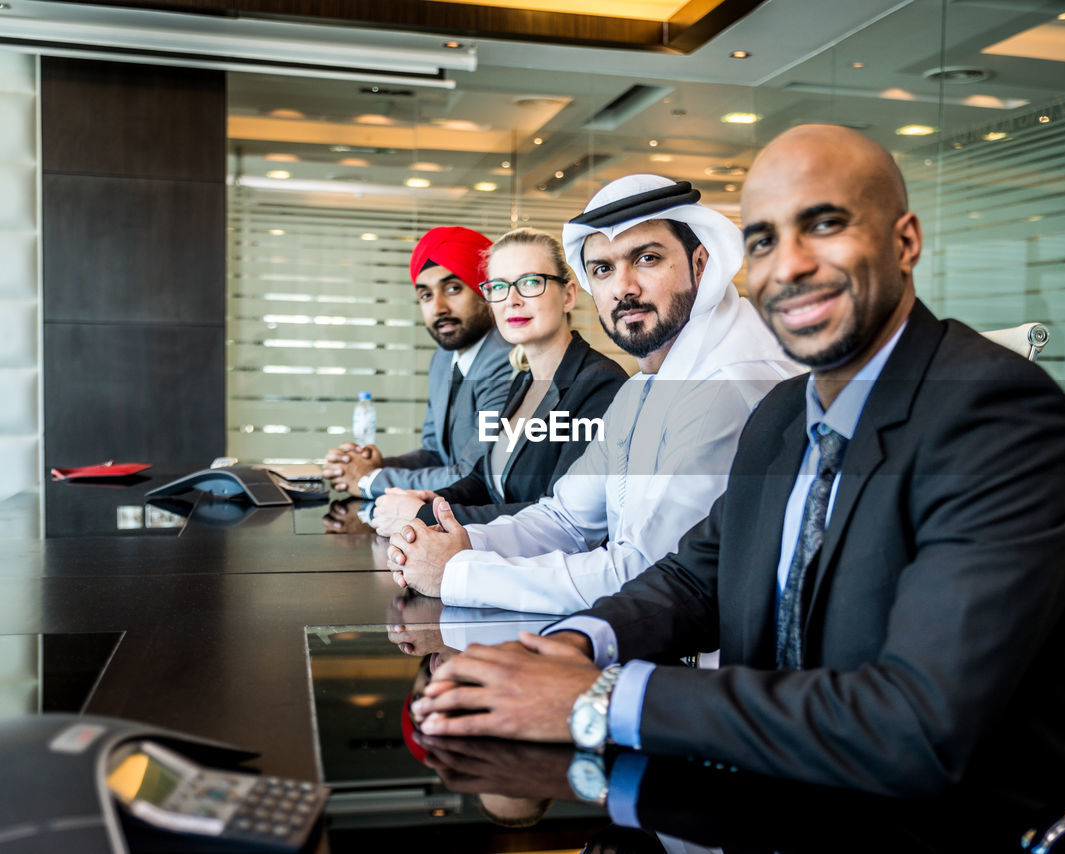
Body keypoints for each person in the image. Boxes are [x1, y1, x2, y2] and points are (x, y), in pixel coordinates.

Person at [405, 125, 1065, 848]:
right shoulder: (787, 411)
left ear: (905, 241)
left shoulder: (999, 416)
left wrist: (597, 700)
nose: (790, 265)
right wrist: (571, 646)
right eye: (763, 241)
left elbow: (916, 725)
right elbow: (697, 577)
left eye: (823, 225)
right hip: (786, 796)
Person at [384, 175, 800, 614]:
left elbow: (646, 574)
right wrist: (458, 541)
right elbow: (565, 518)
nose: (623, 287)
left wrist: (457, 572)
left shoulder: (726, 385)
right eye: (603, 269)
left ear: (701, 263)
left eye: (647, 258)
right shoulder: (641, 387)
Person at [370, 228, 628, 536]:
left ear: (568, 295)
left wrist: (426, 515)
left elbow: (559, 518)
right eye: (499, 287)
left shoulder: (599, 384)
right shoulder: (523, 381)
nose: (512, 300)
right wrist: (436, 501)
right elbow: (483, 480)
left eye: (530, 282)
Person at [322, 226, 513, 499]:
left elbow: (475, 474)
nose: (438, 308)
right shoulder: (443, 359)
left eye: (452, 288)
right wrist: (373, 466)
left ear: (486, 291)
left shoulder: (508, 360)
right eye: (425, 295)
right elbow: (435, 453)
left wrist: (370, 479)